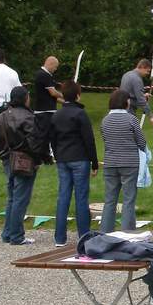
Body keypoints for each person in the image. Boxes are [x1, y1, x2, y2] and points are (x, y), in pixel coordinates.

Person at [0, 86, 46, 245]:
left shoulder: (2, 116)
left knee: (12, 197)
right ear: (25, 98)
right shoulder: (29, 117)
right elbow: (34, 142)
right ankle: (16, 235)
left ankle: (8, 233)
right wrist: (38, 160)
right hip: (24, 160)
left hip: (6, 159)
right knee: (20, 198)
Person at [50, 81, 98, 247]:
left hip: (63, 158)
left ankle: (59, 237)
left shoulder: (56, 115)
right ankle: (83, 236)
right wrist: (94, 162)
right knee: (81, 197)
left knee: (63, 196)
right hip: (79, 158)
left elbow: (53, 139)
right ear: (78, 95)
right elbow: (88, 140)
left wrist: (57, 156)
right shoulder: (80, 114)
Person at [100, 89, 147, 232]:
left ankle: (106, 232)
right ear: (126, 102)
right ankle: (127, 233)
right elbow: (142, 142)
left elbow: (105, 139)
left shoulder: (105, 120)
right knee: (128, 200)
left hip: (110, 163)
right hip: (129, 163)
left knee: (110, 200)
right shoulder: (131, 119)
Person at [34, 56, 64, 161]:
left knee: (47, 135)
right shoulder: (44, 75)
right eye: (55, 67)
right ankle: (40, 157)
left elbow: (51, 96)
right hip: (45, 111)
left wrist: (66, 102)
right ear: (50, 63)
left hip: (46, 109)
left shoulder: (45, 75)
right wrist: (66, 96)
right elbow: (53, 92)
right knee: (44, 136)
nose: (55, 69)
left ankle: (46, 158)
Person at [119, 59, 153, 126]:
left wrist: (143, 95)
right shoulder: (137, 79)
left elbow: (128, 93)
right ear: (142, 67)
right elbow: (141, 101)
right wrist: (151, 117)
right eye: (147, 71)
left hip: (120, 111)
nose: (148, 73)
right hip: (129, 112)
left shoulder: (126, 75)